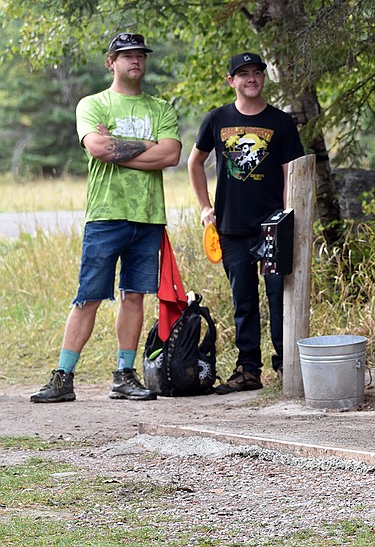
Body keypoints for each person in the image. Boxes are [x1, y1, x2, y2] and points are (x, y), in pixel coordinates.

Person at [31, 32, 182, 403]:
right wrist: (148, 147)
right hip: (105, 214)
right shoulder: (93, 104)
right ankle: (63, 376)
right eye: (126, 55)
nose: (136, 61)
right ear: (110, 61)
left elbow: (172, 155)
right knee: (89, 296)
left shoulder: (160, 108)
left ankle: (124, 375)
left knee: (135, 297)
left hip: (148, 215)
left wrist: (121, 148)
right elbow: (98, 147)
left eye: (140, 56)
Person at [188, 52, 304, 393]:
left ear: (263, 78)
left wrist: (288, 217)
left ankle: (286, 367)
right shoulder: (217, 119)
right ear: (231, 81)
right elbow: (195, 163)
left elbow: (291, 173)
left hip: (272, 228)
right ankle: (248, 370)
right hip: (231, 227)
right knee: (244, 300)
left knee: (278, 296)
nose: (251, 78)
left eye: (256, 73)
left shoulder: (281, 122)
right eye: (243, 74)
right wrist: (204, 207)